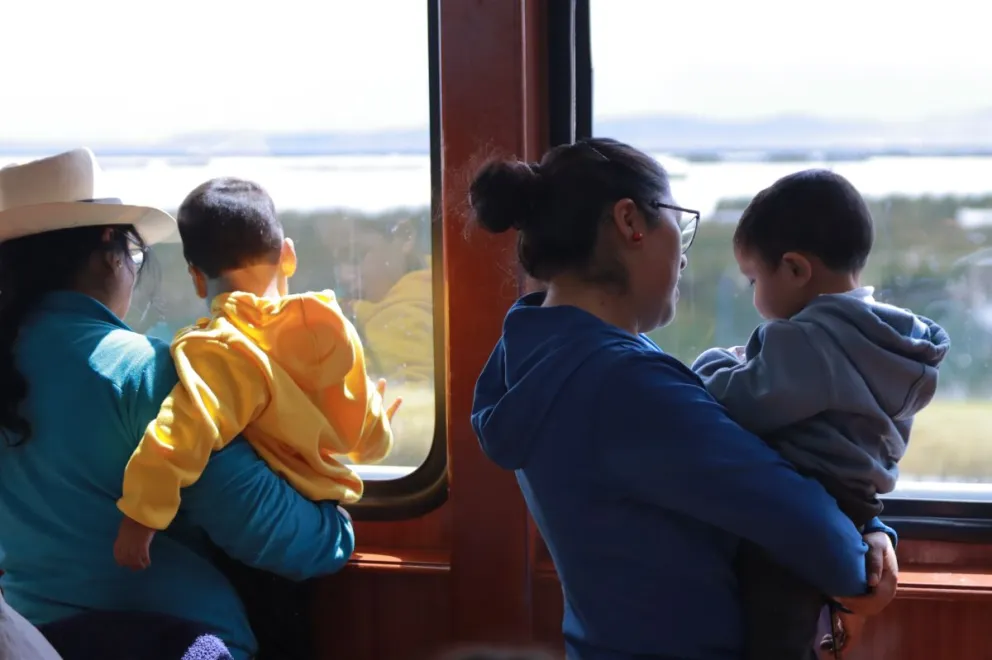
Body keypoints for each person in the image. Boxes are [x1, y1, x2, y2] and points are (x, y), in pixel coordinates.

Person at [468, 138, 899, 660]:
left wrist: (868, 525)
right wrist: (864, 559)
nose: (684, 253)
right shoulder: (622, 384)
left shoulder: (542, 354)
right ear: (631, 222)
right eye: (679, 223)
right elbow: (792, 513)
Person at [0, 148, 355, 660]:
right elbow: (283, 540)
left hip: (33, 642)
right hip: (172, 640)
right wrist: (336, 524)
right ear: (109, 250)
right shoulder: (145, 374)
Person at [690, 170, 949, 660]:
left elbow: (736, 400)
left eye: (753, 279)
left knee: (770, 629)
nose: (752, 294)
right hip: (856, 503)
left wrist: (714, 360)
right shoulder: (890, 340)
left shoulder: (810, 341)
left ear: (794, 269)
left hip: (803, 502)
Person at [113, 177, 399, 571]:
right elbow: (362, 437)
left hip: (273, 521)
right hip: (325, 508)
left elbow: (179, 431)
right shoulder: (334, 329)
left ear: (196, 277)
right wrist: (381, 423)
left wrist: (141, 516)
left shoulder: (222, 347)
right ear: (288, 256)